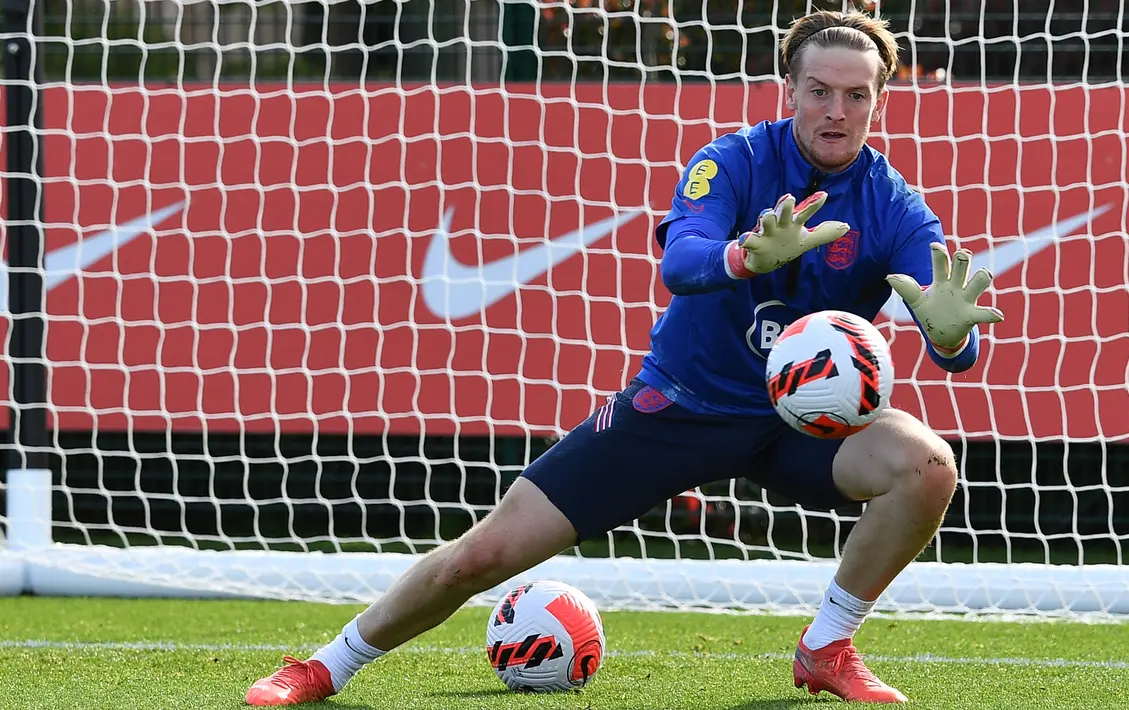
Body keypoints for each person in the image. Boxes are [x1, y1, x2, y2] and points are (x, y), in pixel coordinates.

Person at [245, 7, 1004, 706]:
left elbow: (953, 339)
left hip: (803, 424)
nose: (835, 111)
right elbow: (682, 260)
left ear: (879, 100)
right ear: (789, 89)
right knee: (482, 557)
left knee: (926, 468)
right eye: (818, 91)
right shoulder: (733, 161)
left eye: (855, 95)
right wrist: (744, 257)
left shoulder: (895, 203)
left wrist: (947, 336)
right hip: (680, 406)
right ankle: (321, 667)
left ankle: (826, 647)